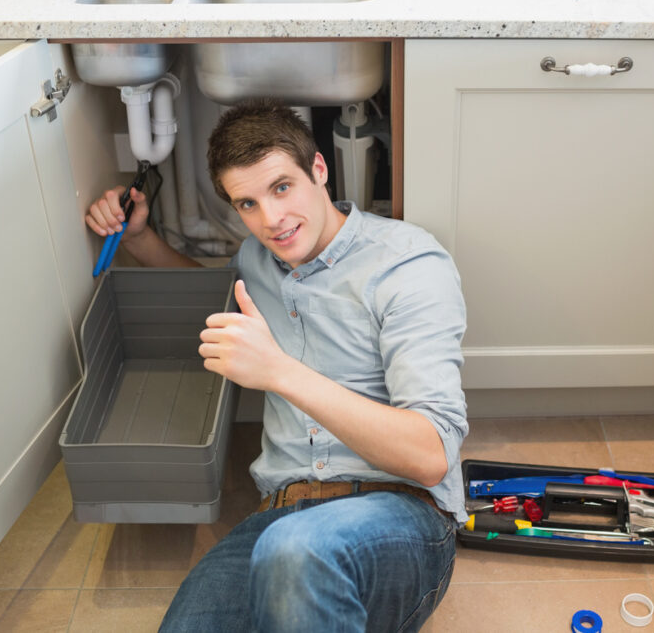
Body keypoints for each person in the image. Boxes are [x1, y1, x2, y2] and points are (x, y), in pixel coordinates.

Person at [85, 99, 469, 632]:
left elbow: (431, 456)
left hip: (400, 515)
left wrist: (279, 372)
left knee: (297, 549)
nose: (271, 221)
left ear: (318, 170)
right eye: (247, 204)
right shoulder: (255, 262)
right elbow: (210, 296)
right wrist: (139, 238)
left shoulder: (406, 264)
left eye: (281, 188)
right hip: (276, 517)